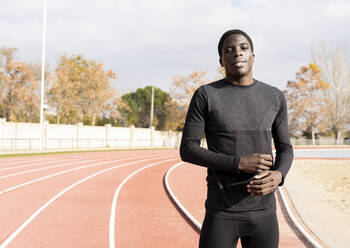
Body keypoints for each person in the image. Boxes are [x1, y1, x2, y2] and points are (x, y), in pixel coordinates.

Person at [179, 29, 294, 248]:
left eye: (243, 48)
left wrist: (279, 175)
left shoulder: (274, 96)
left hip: (264, 212)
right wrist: (238, 163)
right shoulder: (206, 95)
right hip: (222, 211)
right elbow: (187, 148)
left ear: (253, 55)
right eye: (228, 50)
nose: (237, 53)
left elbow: (285, 147)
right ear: (221, 60)